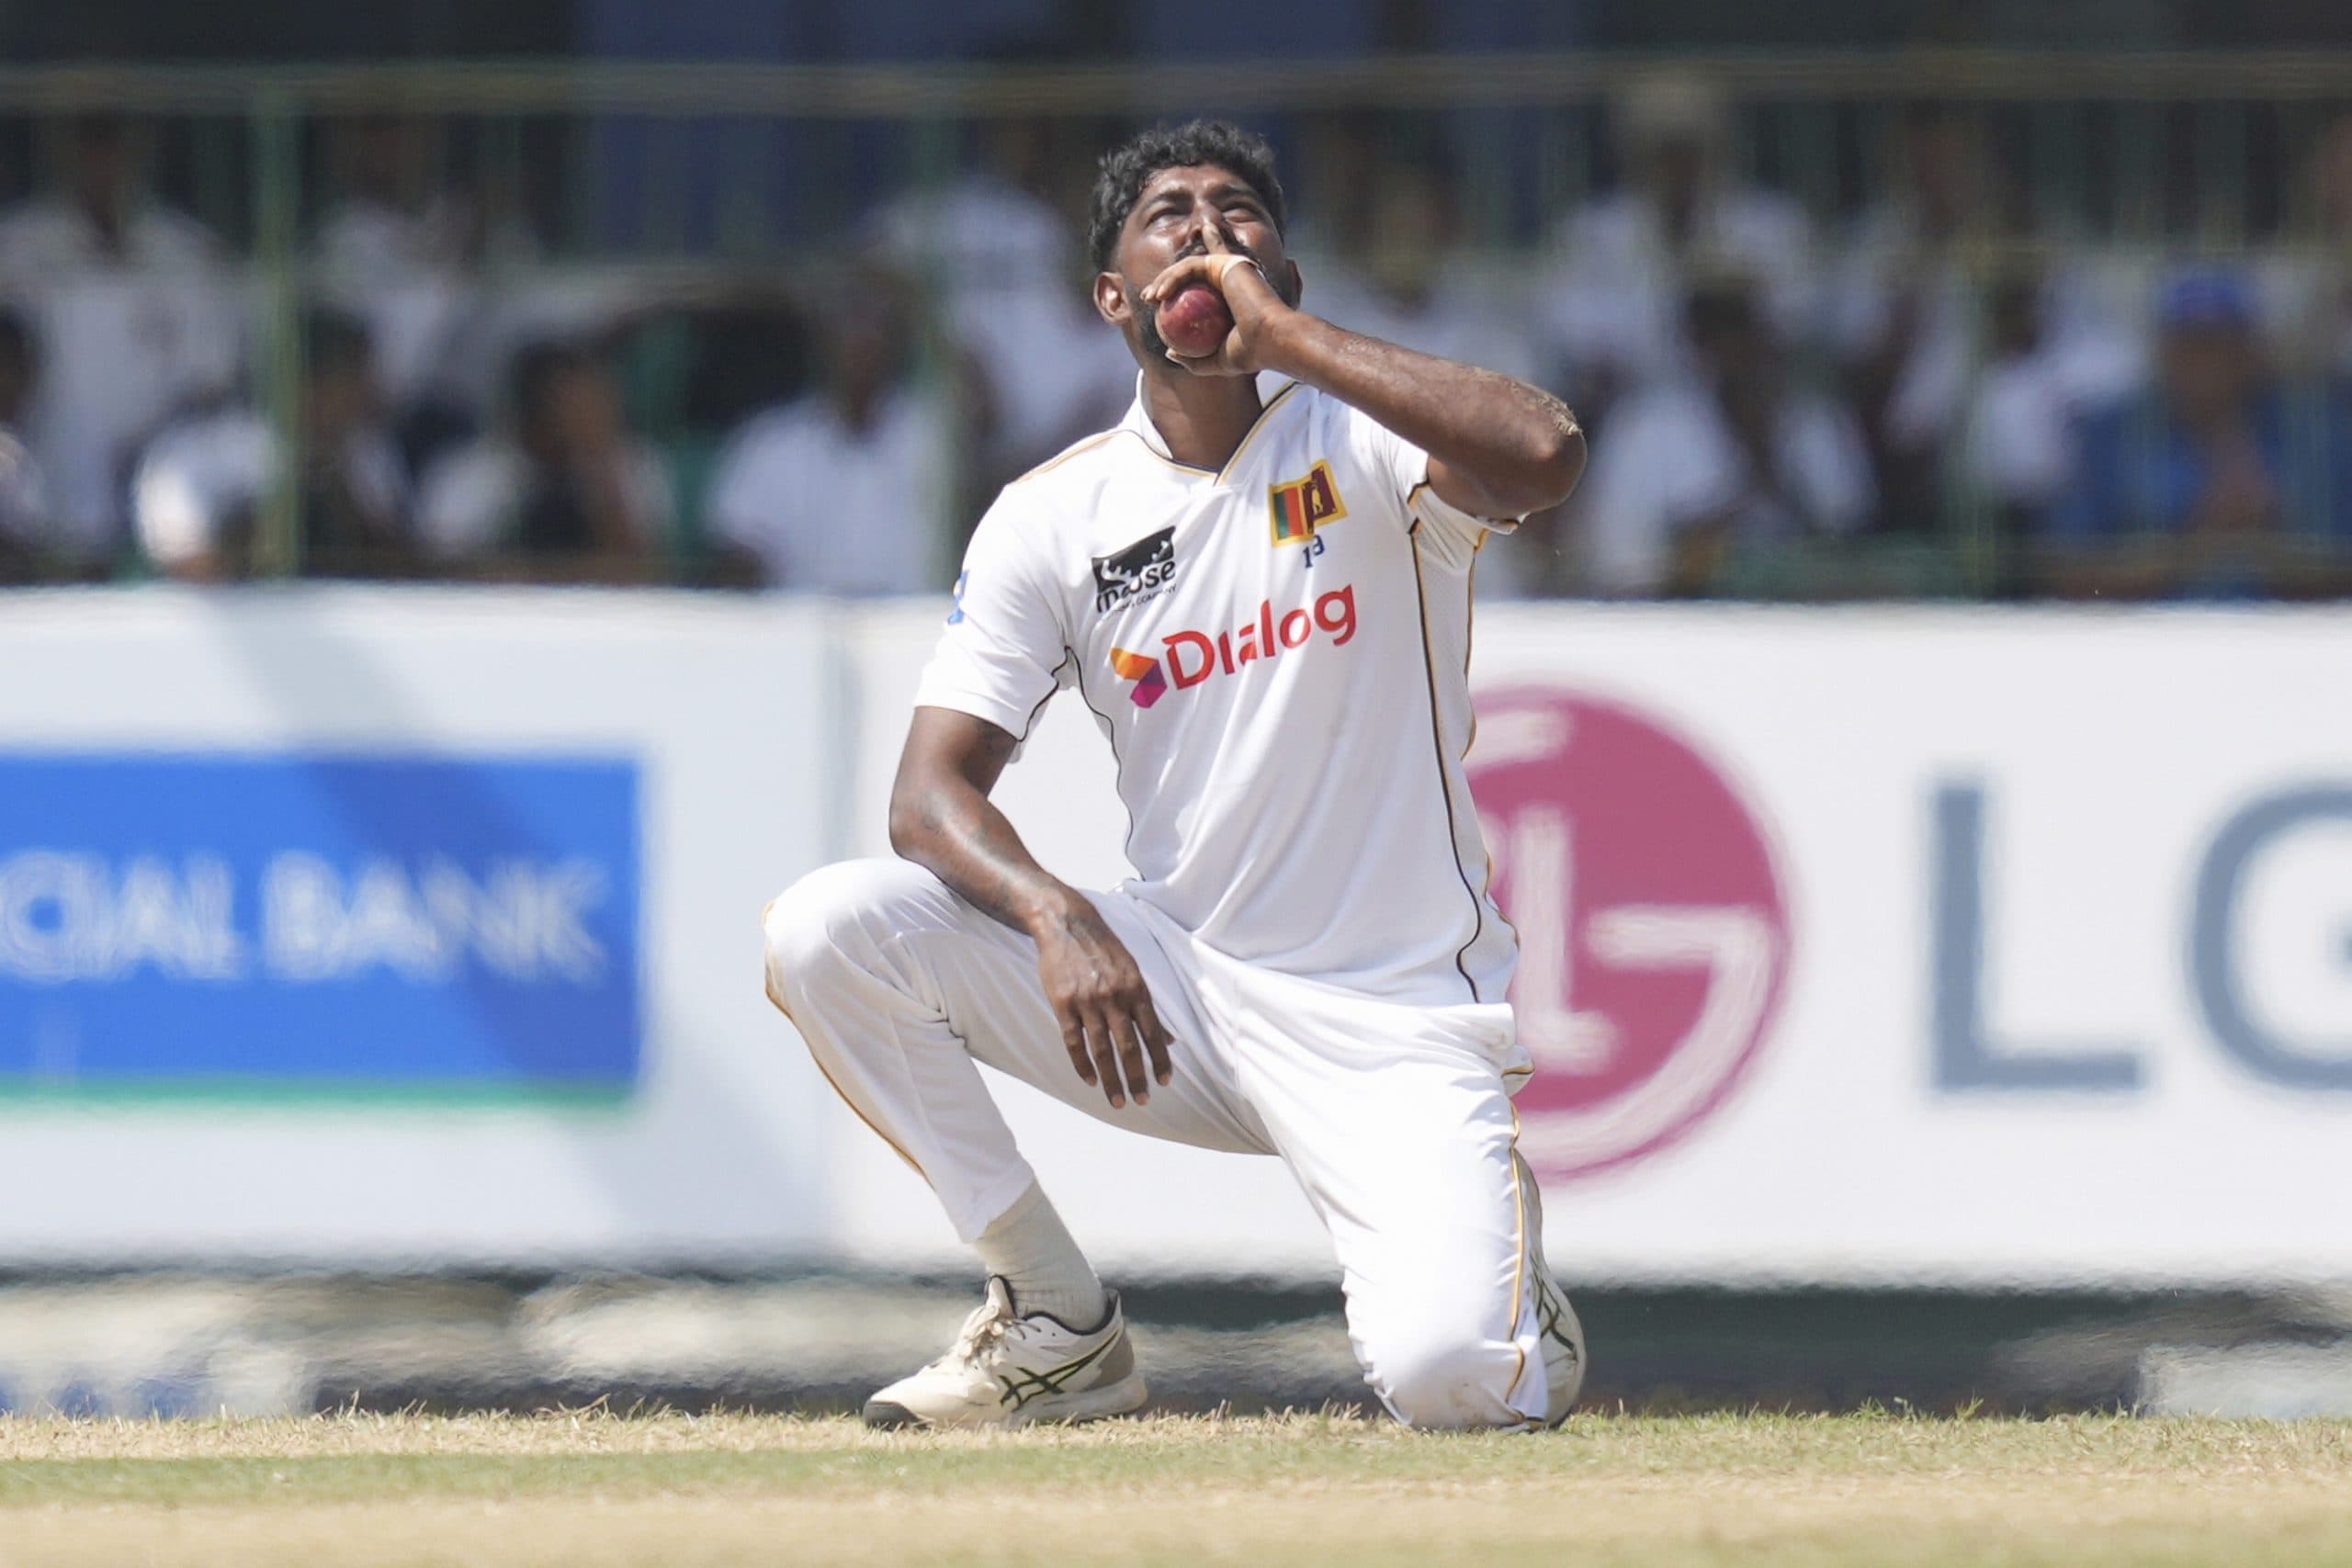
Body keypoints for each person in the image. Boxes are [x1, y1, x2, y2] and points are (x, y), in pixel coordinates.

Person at [761, 119, 1589, 1431]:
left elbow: (1547, 454)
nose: (1206, 231)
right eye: (1168, 215)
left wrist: (1293, 346)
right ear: (1112, 295)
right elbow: (928, 795)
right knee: (827, 931)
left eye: (1238, 211)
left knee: (1451, 1383)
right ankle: (1053, 1317)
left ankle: (1503, 1290)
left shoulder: (1364, 434)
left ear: (1287, 268)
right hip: (1177, 995)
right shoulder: (1054, 514)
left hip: (1395, 1015)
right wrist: (1058, 911)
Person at [2042, 270, 2349, 600]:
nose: (2206, 363)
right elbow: (2067, 577)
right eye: (2191, 343)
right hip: (2149, 643)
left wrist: (2265, 538)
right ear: (2162, 348)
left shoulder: (2316, 431)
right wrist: (2198, 544)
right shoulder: (2109, 434)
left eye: (2221, 343)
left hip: (2293, 642)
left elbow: (2342, 573)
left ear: (2254, 348)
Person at [1539, 71, 1815, 417]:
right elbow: (1570, 328)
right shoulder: (1593, 231)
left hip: (1751, 408)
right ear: (1636, 155)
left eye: (1688, 149)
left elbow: (1795, 315)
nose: (1677, 167)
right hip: (1635, 409)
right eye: (1663, 151)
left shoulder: (1768, 222)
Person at [1577, 276, 1873, 597]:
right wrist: (1707, 534)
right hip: (1681, 619)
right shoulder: (1647, 423)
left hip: (1799, 615)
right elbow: (1615, 553)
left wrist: (1774, 473)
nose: (1734, 352)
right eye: (1716, 336)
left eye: (1744, 332)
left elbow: (1852, 540)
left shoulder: (1811, 418)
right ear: (1693, 344)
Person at [705, 272, 958, 594]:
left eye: (873, 327)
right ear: (823, 340)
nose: (860, 345)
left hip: (912, 628)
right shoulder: (771, 444)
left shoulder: (935, 438)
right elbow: (736, 555)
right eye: (848, 328)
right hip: (800, 630)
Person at [132, 310, 412, 582]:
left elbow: (405, 574)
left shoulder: (370, 452)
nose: (369, 395)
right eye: (352, 382)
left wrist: (341, 494)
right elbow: (189, 566)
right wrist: (287, 504)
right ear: (306, 384)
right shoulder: (194, 453)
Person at [414, 338, 670, 581]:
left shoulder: (637, 465)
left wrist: (600, 473)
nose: (590, 415)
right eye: (572, 405)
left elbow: (643, 575)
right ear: (535, 410)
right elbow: (442, 573)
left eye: (596, 401)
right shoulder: (470, 473)